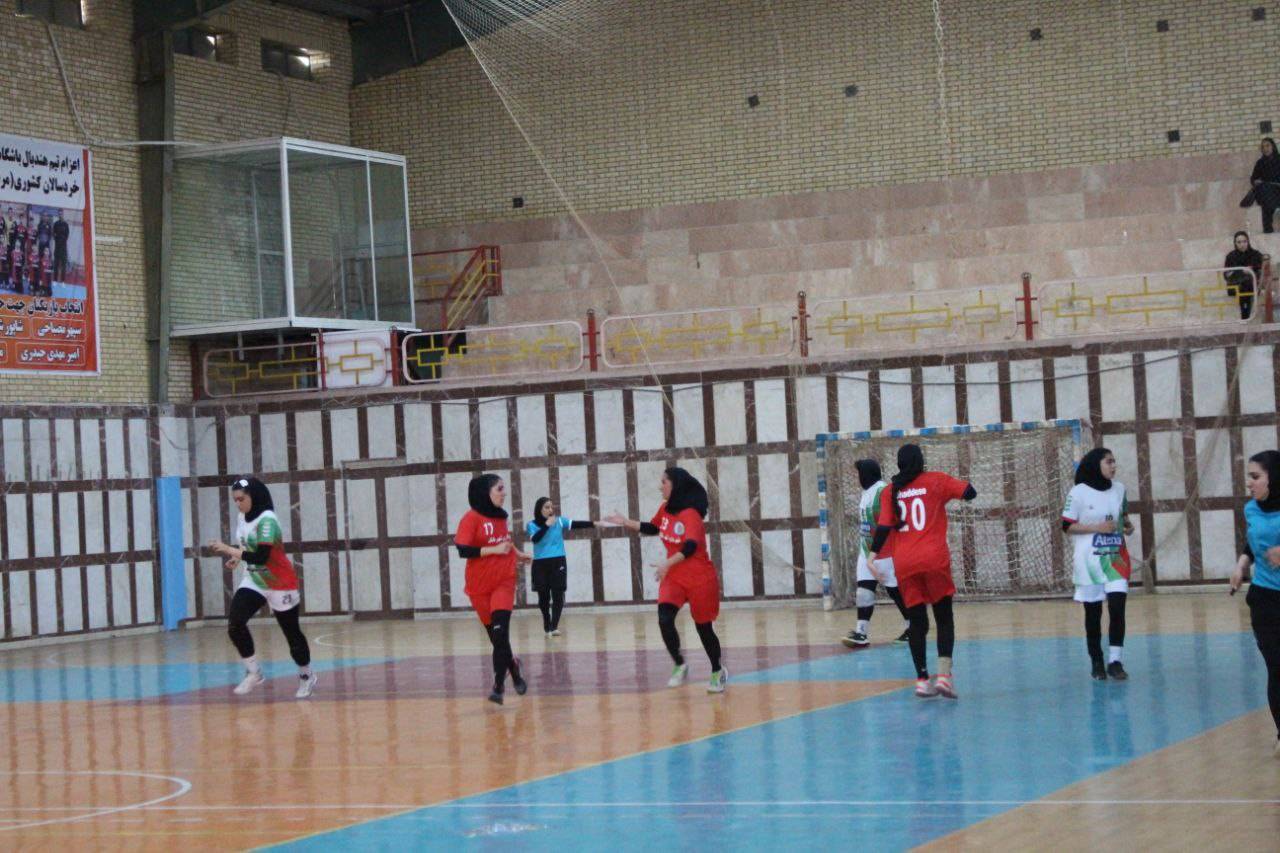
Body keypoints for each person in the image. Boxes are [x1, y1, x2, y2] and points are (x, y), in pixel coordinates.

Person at [869, 444, 975, 699]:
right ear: (921, 461)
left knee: (917, 622)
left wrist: (872, 557)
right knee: (944, 617)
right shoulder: (936, 480)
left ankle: (922, 680)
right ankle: (944, 678)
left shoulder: (890, 491)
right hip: (934, 559)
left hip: (905, 563)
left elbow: (883, 528)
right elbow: (970, 492)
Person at [606, 467, 727, 693]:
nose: (659, 486)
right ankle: (680, 664)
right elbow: (653, 527)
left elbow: (690, 547)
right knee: (664, 618)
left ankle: (717, 670)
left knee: (704, 628)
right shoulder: (665, 508)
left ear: (675, 485)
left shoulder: (690, 514)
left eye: (664, 482)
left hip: (699, 578)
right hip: (674, 576)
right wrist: (625, 522)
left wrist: (667, 563)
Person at [207, 478, 316, 698]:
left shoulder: (268, 520)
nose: (238, 504)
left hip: (280, 582)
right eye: (235, 500)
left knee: (291, 633)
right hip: (255, 579)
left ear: (253, 496)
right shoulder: (242, 517)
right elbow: (246, 545)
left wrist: (228, 549)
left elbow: (261, 556)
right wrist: (237, 558)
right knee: (235, 624)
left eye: (241, 499)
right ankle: (254, 672)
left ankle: (306, 675)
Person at [455, 473, 532, 705]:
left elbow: (504, 542)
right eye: (499, 489)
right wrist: (494, 550)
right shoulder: (471, 518)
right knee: (497, 640)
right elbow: (463, 550)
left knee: (500, 634)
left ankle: (498, 686)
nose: (504, 493)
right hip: (479, 587)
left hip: (503, 581)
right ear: (485, 493)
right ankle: (514, 669)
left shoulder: (500, 517)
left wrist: (517, 554)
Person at [1062, 448, 1135, 681]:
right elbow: (1067, 526)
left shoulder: (1120, 489)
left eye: (1114, 462)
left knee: (1117, 608)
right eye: (1108, 462)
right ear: (1096, 464)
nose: (1113, 466)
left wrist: (1127, 525)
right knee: (1093, 614)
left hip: (1116, 560)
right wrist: (1096, 528)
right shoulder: (1079, 492)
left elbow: (1122, 517)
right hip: (1089, 562)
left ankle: (1115, 661)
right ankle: (1096, 660)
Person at [1230, 450, 1280, 760]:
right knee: (1276, 667)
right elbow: (1252, 542)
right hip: (1264, 598)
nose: (1249, 483)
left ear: (1273, 478)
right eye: (1249, 476)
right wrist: (1241, 564)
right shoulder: (1251, 509)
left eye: (1255, 476)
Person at [842, 458, 910, 648]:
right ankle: (861, 633)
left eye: (859, 473)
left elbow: (894, 520)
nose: (857, 477)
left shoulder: (884, 491)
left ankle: (913, 627)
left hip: (886, 552)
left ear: (866, 474)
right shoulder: (867, 492)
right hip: (866, 551)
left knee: (895, 592)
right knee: (863, 591)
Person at [526, 497, 594, 637]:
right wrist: (546, 525)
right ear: (539, 509)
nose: (550, 510)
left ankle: (554, 626)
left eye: (551, 507)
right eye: (547, 507)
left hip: (558, 561)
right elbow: (535, 539)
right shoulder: (531, 525)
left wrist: (595, 523)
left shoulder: (559, 521)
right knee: (543, 597)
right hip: (540, 564)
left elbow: (576, 524)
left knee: (558, 594)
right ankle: (547, 621)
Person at [1225, 231, 1265, 321]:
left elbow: (1261, 269)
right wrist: (1241, 272)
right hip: (1236, 285)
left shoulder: (1256, 255)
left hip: (1252, 285)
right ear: (1235, 243)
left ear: (1248, 241)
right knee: (1244, 285)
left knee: (1247, 284)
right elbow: (1226, 274)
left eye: (1244, 241)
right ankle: (1245, 317)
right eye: (1239, 242)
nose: (1242, 244)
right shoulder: (1231, 256)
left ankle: (1245, 318)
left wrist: (1251, 271)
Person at [1250, 138, 1280, 234]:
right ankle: (1268, 233)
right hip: (1268, 192)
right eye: (1263, 147)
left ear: (1273, 146)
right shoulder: (1260, 163)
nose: (1265, 149)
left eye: (1267, 146)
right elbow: (1253, 178)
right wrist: (1256, 181)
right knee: (1266, 209)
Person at [52, 214, 69, 282]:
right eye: (60, 214)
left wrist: (62, 240)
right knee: (56, 265)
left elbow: (67, 235)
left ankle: (62, 281)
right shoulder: (56, 224)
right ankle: (55, 280)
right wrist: (57, 239)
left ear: (63, 216)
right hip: (57, 248)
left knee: (63, 265)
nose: (61, 216)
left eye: (62, 214)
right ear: (58, 216)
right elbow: (53, 234)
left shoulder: (66, 224)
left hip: (63, 248)